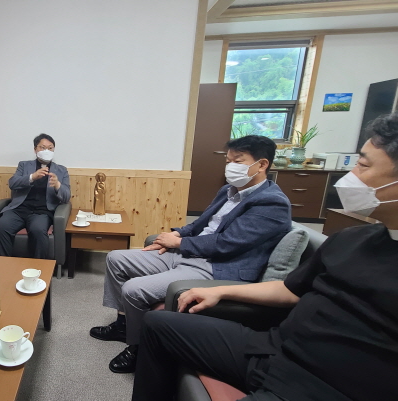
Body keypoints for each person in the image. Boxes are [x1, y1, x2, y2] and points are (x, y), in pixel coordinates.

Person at [132, 113, 398, 401]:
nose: (350, 176)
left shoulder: (270, 202)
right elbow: (291, 290)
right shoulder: (351, 239)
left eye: (363, 165)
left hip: (324, 382)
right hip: (274, 347)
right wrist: (220, 291)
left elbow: (227, 244)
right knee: (157, 325)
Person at [90, 135, 292, 374]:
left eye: (238, 161)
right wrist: (175, 233)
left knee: (134, 289)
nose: (230, 167)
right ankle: (123, 325)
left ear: (262, 164)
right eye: (228, 161)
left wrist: (179, 242)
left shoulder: (272, 203)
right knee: (116, 258)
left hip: (216, 266)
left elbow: (227, 243)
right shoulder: (228, 190)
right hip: (191, 253)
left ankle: (138, 348)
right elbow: (200, 225)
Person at [0, 133, 71, 259]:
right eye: (42, 147)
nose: (47, 151)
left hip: (42, 212)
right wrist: (32, 177)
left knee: (38, 230)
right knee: (1, 227)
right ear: (35, 149)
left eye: (50, 148)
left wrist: (57, 185)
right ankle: (3, 266)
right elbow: (12, 183)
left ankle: (39, 268)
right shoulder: (24, 165)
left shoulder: (61, 170)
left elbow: (66, 197)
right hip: (19, 209)